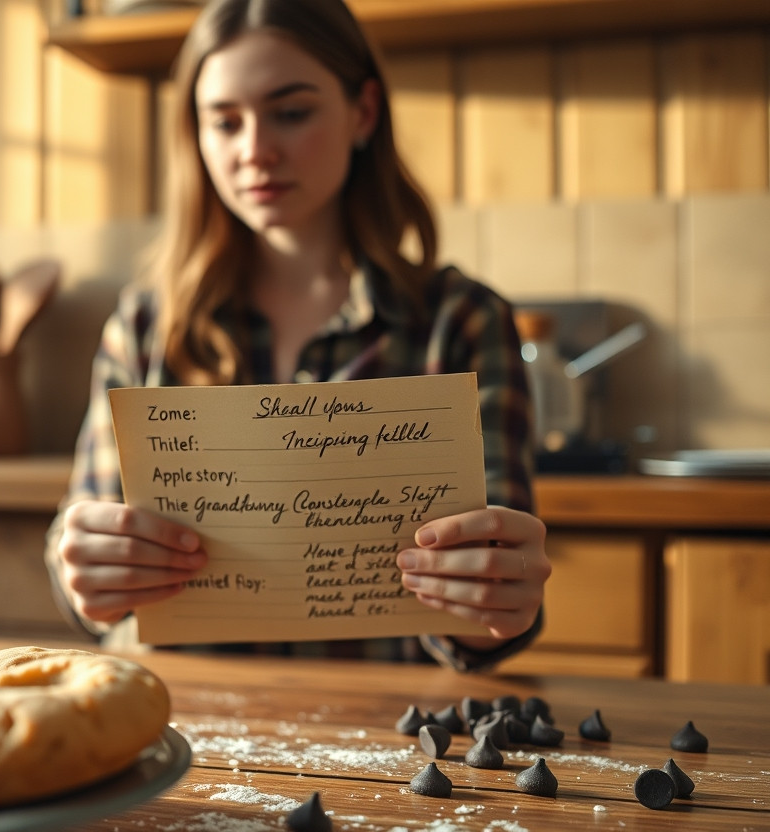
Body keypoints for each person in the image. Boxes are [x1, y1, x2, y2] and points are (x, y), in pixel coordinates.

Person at [47, 0, 549, 671]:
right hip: (178, 717)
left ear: (363, 113)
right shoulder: (143, 328)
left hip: (384, 721)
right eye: (224, 122)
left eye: (290, 112)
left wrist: (497, 599)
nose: (255, 150)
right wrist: (83, 568)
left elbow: (495, 597)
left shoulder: (463, 322)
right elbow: (83, 557)